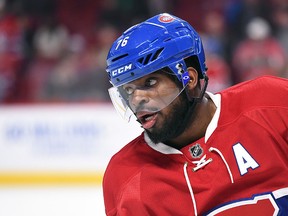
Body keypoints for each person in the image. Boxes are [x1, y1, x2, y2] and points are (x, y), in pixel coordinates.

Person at [103, 13, 288, 215]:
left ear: (189, 79)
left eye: (150, 83)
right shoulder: (125, 176)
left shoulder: (272, 104)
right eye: (128, 90)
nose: (136, 100)